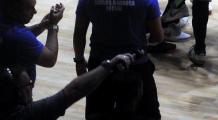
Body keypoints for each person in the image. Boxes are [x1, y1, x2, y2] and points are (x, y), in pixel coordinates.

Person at [73, 0, 164, 119]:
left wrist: (79, 61)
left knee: (96, 115)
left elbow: (79, 32)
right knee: (149, 115)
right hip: (137, 66)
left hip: (100, 66)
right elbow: (158, 37)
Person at [0, 53, 137, 120]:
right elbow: (73, 91)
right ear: (18, 92)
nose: (31, 86)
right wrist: (109, 65)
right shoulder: (24, 115)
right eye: (28, 85)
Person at [0, 0, 64, 83]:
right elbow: (49, 59)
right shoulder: (18, 35)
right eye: (29, 8)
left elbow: (21, 35)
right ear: (12, 11)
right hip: (14, 95)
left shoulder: (5, 20)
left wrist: (41, 26)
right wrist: (53, 26)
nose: (35, 11)